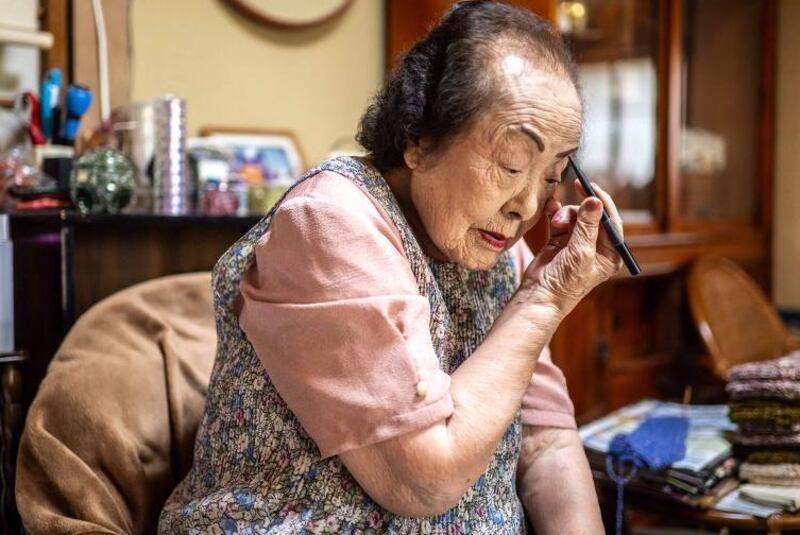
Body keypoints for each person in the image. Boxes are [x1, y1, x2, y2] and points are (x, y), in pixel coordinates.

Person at [160, 1, 622, 533]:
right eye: (512, 164)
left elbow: (545, 440)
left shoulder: (500, 251)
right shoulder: (329, 223)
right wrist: (543, 300)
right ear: (417, 138)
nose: (526, 206)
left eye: (553, 175)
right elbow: (424, 480)